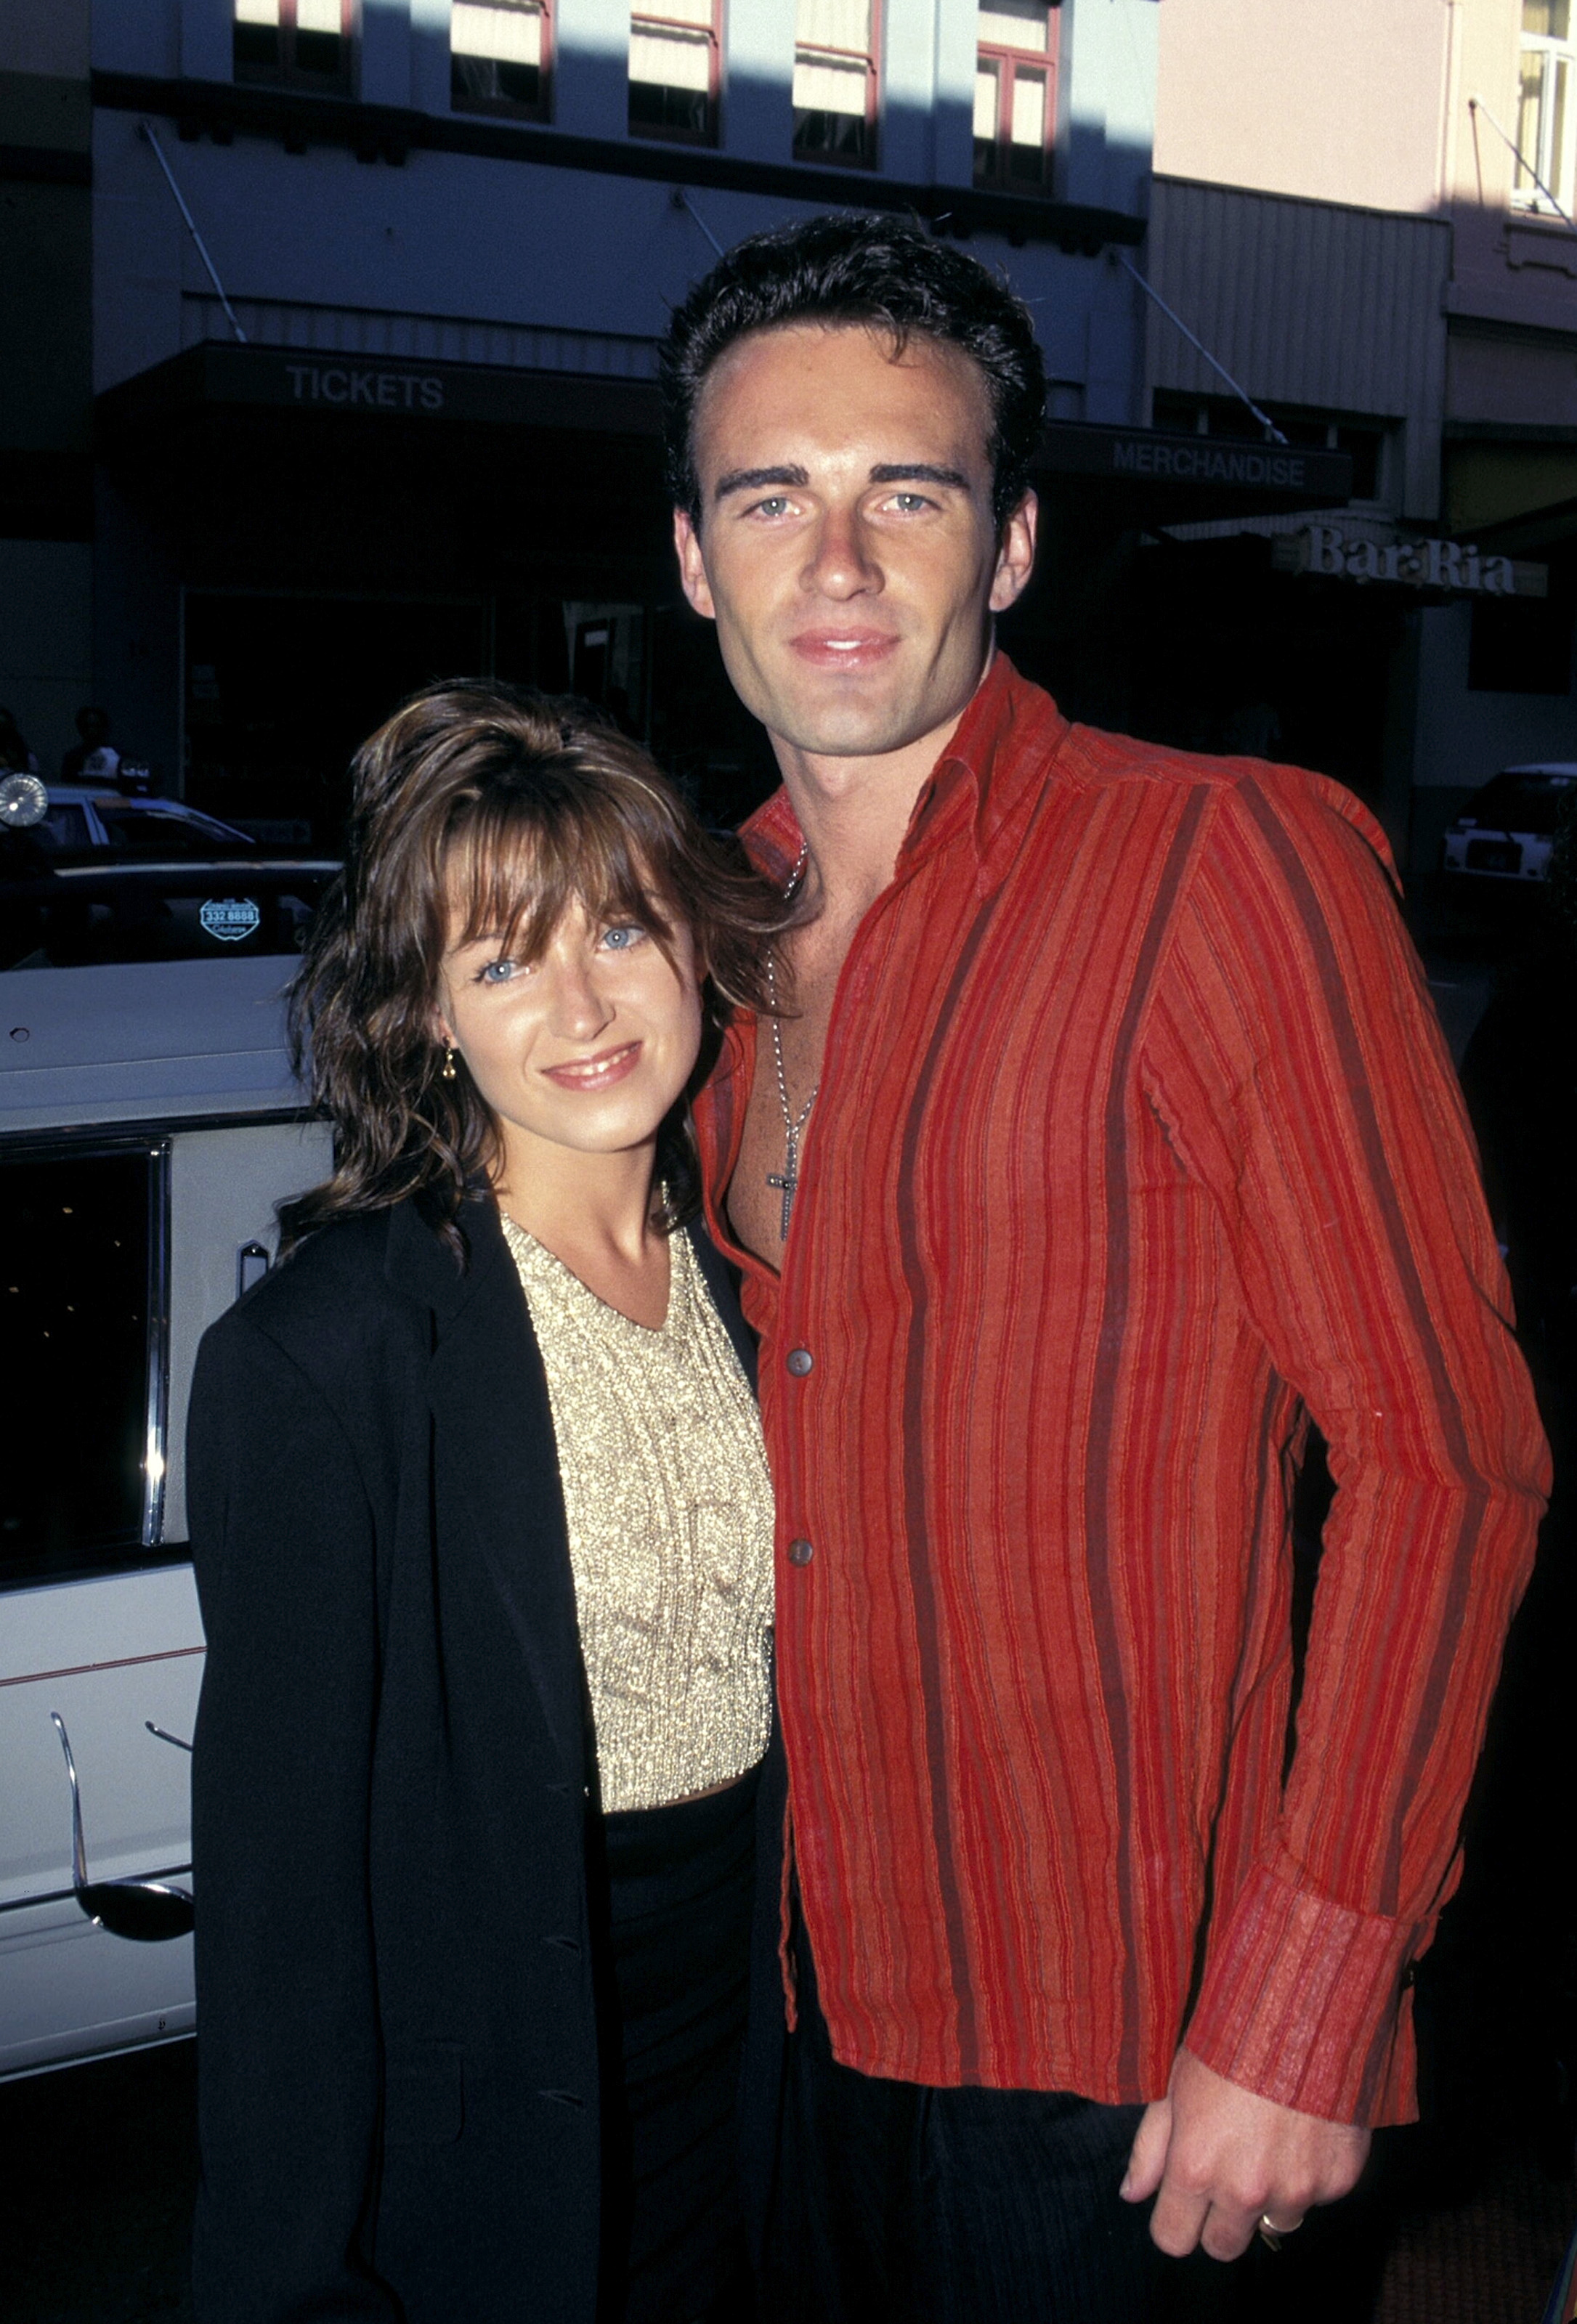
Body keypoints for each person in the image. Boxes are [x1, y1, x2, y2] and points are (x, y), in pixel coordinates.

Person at [657, 214, 1551, 2321]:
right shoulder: (696, 938)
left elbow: (1445, 1460)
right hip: (788, 2002)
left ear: (1016, 544)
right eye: (771, 498)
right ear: (694, 560)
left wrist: (1307, 2006)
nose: (839, 561)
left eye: (910, 494)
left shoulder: (1224, 860)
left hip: (1122, 2051)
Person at [186, 683, 789, 2324]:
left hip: (760, 2103)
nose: (582, 1004)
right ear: (433, 1014)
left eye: (620, 928)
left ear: (696, 943)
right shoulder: (322, 1359)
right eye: (504, 961)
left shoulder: (762, 1286)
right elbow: (280, 1919)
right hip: (495, 2156)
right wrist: (294, 2285)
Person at [59, 704, 120, 785]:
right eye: (87, 726)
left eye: (96, 726)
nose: (91, 730)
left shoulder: (118, 757)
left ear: (104, 728)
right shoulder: (73, 758)